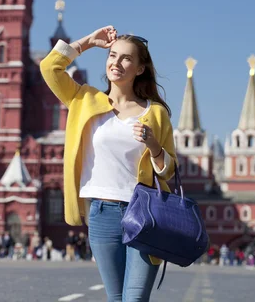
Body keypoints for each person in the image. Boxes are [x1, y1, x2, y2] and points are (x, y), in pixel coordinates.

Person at [40, 26, 178, 301]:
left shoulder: (156, 112)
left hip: (144, 214)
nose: (116, 62)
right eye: (113, 55)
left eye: (126, 58)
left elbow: (168, 170)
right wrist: (88, 42)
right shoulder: (85, 99)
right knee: (116, 298)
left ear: (140, 69)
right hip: (102, 213)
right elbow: (50, 68)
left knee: (135, 299)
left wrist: (153, 145)